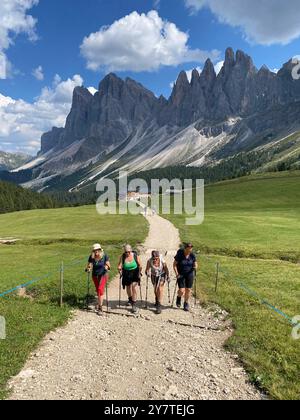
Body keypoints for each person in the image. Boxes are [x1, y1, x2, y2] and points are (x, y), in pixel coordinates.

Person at [86, 244, 110, 314]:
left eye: (97, 251)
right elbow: (89, 264)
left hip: (103, 274)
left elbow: (109, 265)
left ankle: (100, 307)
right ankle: (99, 302)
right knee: (98, 290)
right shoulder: (92, 256)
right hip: (95, 275)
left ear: (100, 250)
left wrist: (106, 266)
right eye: (95, 251)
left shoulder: (104, 256)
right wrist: (89, 268)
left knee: (100, 289)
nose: (96, 252)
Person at [173, 243, 198, 312]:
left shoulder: (192, 255)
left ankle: (186, 303)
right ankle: (179, 297)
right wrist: (177, 274)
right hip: (181, 274)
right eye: (188, 248)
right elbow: (174, 265)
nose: (190, 250)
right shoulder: (180, 255)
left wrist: (195, 266)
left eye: (191, 248)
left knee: (188, 290)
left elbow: (195, 262)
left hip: (189, 274)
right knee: (181, 290)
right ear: (185, 248)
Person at [118, 244, 142, 314]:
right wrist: (119, 269)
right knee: (128, 287)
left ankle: (134, 304)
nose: (127, 253)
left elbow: (140, 265)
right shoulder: (122, 257)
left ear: (131, 250)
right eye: (126, 252)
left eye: (128, 252)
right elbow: (119, 265)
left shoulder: (135, 255)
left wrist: (139, 272)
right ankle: (130, 299)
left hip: (135, 273)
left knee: (133, 287)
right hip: (126, 273)